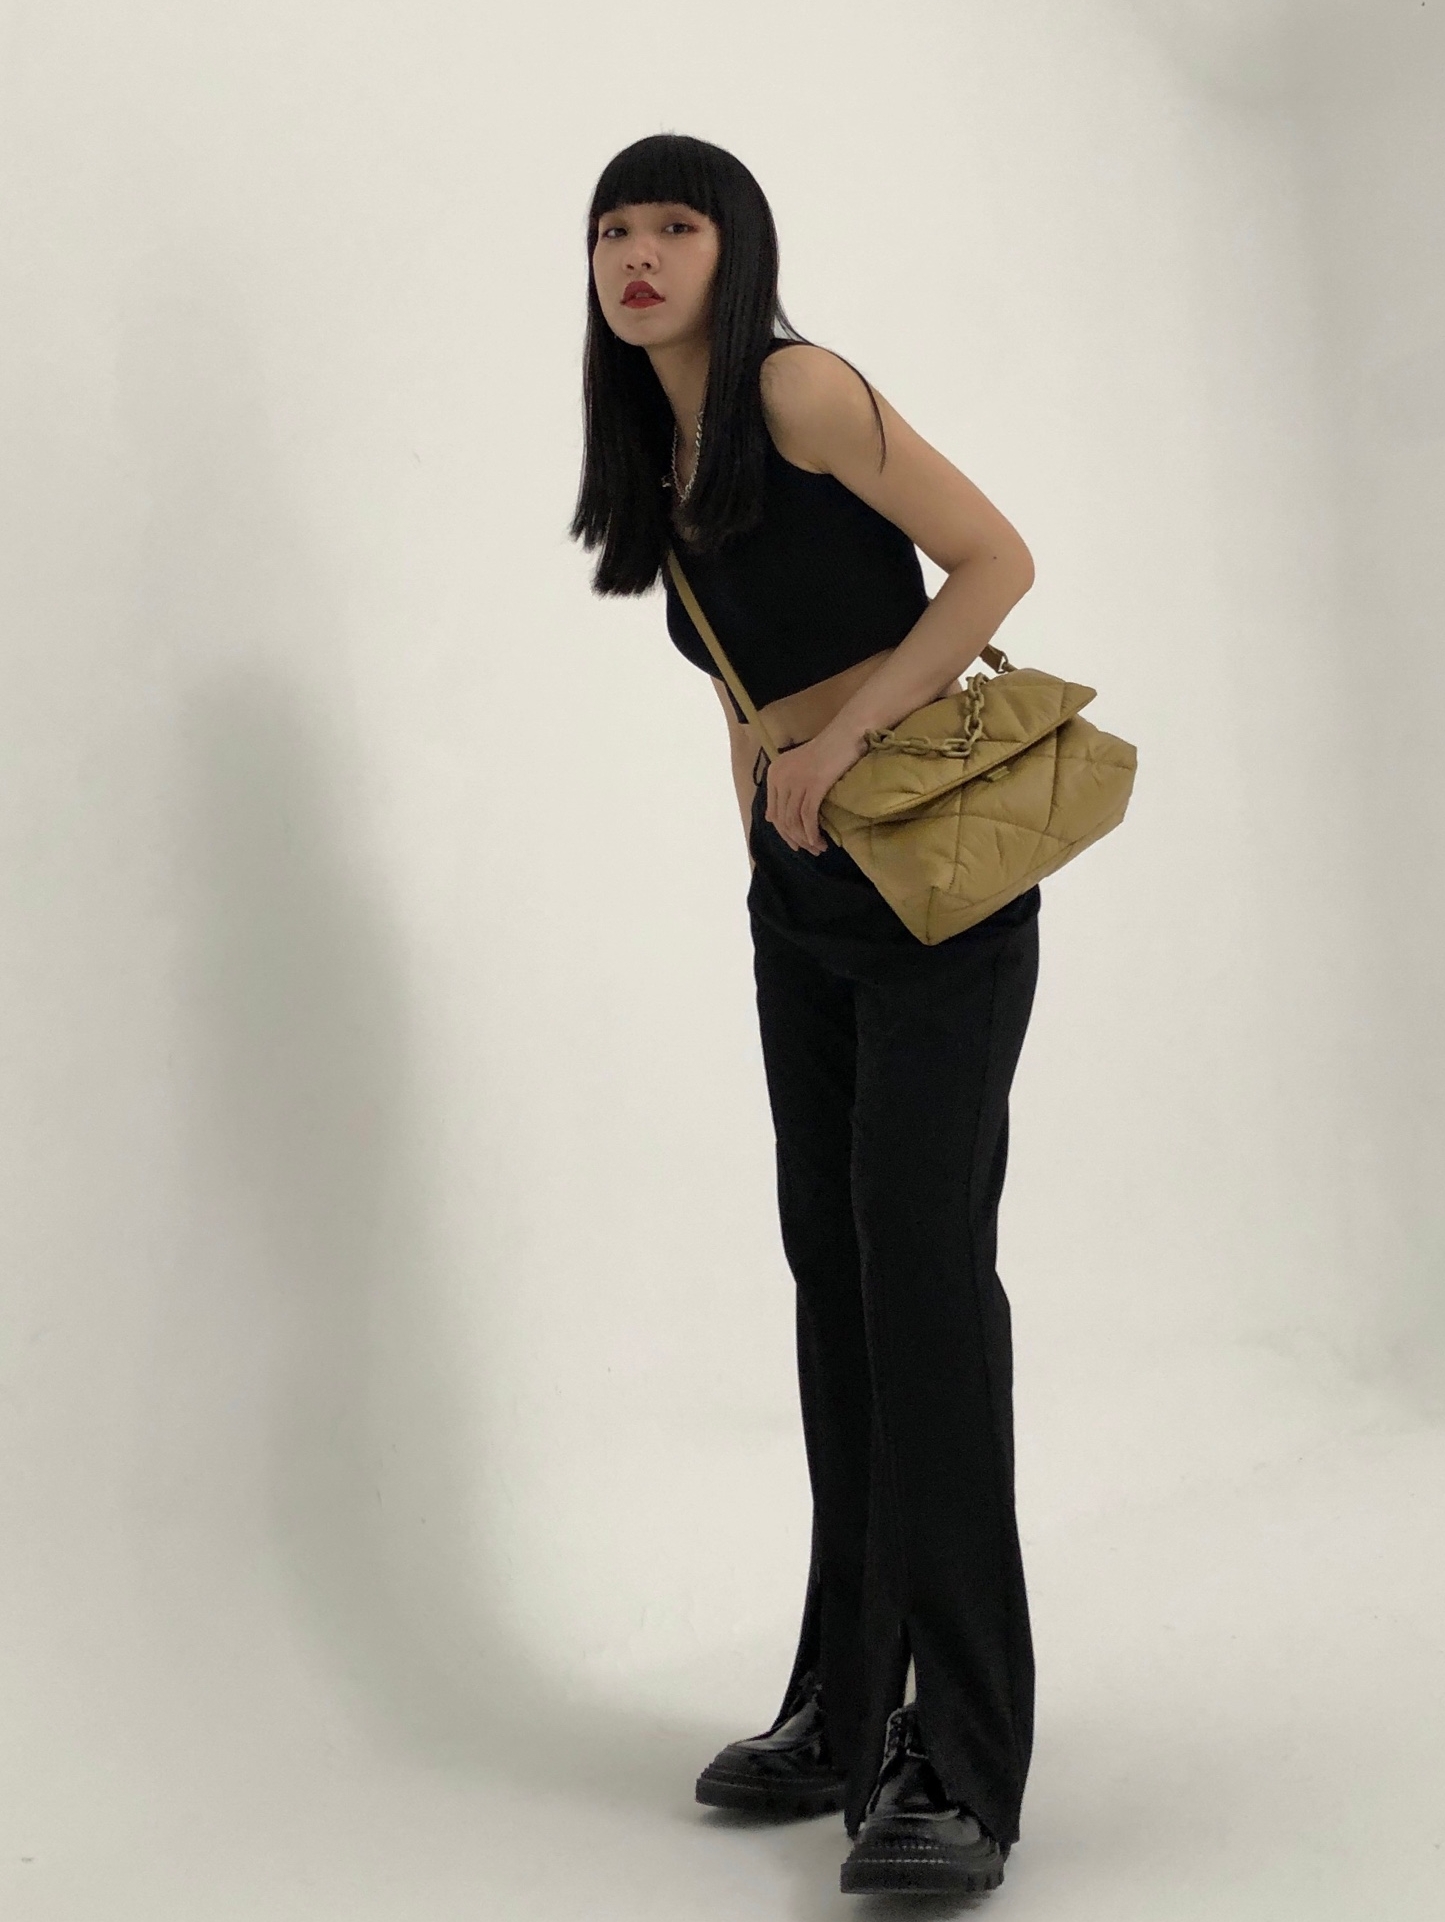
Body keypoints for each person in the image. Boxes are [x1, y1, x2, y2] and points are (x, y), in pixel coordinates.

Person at [569, 132, 1042, 1901]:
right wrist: (769, 852)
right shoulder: (660, 447)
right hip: (806, 901)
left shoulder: (797, 387)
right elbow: (738, 686)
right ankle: (847, 1705)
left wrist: (841, 743)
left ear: (734, 245)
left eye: (673, 224)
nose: (637, 254)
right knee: (833, 1286)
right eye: (611, 229)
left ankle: (961, 1761)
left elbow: (992, 562)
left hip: (934, 885)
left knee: (921, 1284)